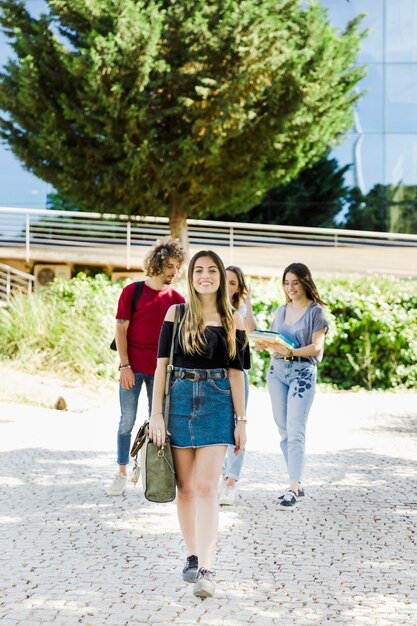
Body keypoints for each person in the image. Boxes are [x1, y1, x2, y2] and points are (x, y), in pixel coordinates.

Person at [149, 250, 249, 598]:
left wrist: (241, 421)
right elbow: (161, 366)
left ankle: (207, 567)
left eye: (212, 270)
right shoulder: (175, 314)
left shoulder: (234, 319)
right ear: (191, 277)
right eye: (199, 270)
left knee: (207, 487)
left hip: (217, 401)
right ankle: (191, 556)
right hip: (177, 400)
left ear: (221, 277)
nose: (205, 276)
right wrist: (155, 415)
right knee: (186, 488)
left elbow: (237, 374)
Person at [107, 237, 185, 496]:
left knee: (158, 424)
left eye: (177, 267)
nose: (174, 272)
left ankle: (156, 474)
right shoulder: (133, 291)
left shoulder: (177, 299)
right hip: (132, 367)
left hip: (161, 373)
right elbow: (121, 328)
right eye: (170, 266)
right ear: (157, 264)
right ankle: (121, 471)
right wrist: (124, 366)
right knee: (126, 421)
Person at [256, 262, 328, 510]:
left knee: (296, 429)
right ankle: (296, 482)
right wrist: (263, 343)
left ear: (305, 282)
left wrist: (291, 351)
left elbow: (317, 347)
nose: (290, 287)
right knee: (284, 430)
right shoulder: (280, 311)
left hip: (302, 373)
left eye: (295, 282)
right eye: (286, 283)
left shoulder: (316, 312)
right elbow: (274, 340)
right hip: (277, 372)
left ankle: (293, 486)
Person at [219, 266, 255, 506]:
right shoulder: (209, 307)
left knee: (238, 424)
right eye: (226, 281)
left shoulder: (239, 312)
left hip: (238, 373)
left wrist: (248, 302)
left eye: (234, 283)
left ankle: (231, 482)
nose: (229, 286)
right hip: (214, 374)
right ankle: (220, 475)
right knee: (219, 426)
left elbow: (252, 329)